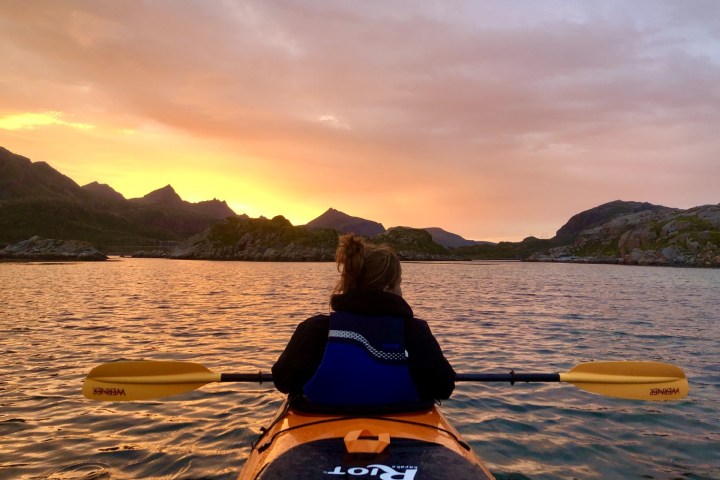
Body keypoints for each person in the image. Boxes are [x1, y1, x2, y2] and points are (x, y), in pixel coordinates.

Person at [272, 233, 455, 412]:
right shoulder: (415, 332)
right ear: (387, 288)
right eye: (399, 284)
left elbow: (282, 380)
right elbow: (444, 387)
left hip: (321, 434)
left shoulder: (316, 330)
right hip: (404, 432)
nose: (401, 292)